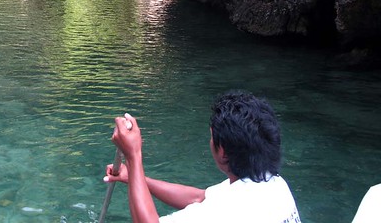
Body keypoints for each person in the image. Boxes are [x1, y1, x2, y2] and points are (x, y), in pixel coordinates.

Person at [104, 90, 301, 223]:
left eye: (211, 136)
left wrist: (133, 155)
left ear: (222, 151)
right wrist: (134, 178)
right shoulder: (273, 183)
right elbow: (199, 197)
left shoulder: (231, 211)